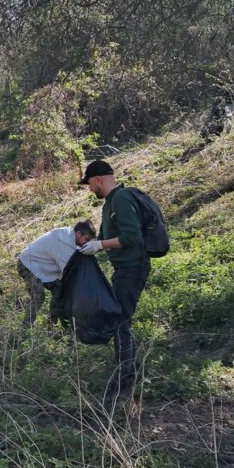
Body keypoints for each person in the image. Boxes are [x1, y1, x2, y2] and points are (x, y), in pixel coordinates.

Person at [77, 160, 151, 402]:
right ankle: (127, 372)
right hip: (124, 270)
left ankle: (124, 384)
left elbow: (131, 236)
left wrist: (99, 245)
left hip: (132, 269)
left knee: (121, 323)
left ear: (98, 179)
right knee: (120, 320)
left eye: (89, 183)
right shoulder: (112, 202)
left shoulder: (121, 199)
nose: (90, 189)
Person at [18, 221, 97, 325]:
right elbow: (68, 271)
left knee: (59, 290)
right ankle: (26, 326)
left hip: (43, 266)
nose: (86, 243)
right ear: (78, 234)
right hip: (28, 264)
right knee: (38, 296)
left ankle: (52, 323)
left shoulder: (70, 237)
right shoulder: (63, 241)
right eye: (86, 239)